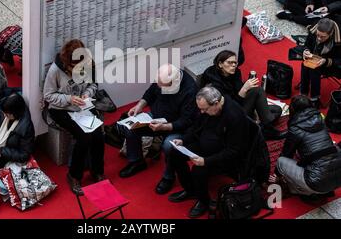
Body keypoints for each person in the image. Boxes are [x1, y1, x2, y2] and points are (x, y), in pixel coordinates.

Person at [167, 86, 251, 218]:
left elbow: (234, 151)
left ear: (216, 103)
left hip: (222, 156)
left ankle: (204, 201)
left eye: (204, 109)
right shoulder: (207, 108)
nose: (201, 112)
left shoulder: (234, 116)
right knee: (175, 153)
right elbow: (196, 127)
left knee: (198, 170)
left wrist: (206, 161)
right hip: (205, 145)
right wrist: (183, 140)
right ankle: (191, 190)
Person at [118, 64, 198, 196]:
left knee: (169, 147)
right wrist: (139, 106)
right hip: (156, 117)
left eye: (164, 86)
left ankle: (168, 177)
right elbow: (150, 93)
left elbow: (186, 121)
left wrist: (165, 127)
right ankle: (136, 161)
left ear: (175, 82)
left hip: (177, 125)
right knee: (131, 128)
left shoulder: (190, 90)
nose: (160, 87)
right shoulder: (163, 78)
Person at [43, 39, 105, 196]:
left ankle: (97, 170)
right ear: (67, 63)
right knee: (83, 137)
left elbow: (94, 85)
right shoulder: (55, 71)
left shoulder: (89, 64)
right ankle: (74, 175)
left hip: (82, 107)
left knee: (98, 135)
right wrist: (69, 99)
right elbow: (48, 95)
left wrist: (87, 94)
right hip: (60, 109)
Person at [199, 50, 283, 139]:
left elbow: (243, 96)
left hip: (241, 105)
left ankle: (257, 127)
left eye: (235, 63)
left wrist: (255, 109)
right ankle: (266, 129)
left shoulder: (235, 73)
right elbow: (229, 106)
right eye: (230, 63)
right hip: (229, 114)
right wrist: (244, 89)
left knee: (277, 109)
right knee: (258, 91)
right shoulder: (214, 83)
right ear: (220, 64)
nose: (234, 65)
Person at [269, 95, 341, 199]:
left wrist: (277, 176)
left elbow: (287, 154)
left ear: (292, 109)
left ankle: (303, 191)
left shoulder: (295, 128)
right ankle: (319, 189)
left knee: (281, 161)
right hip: (338, 179)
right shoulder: (320, 118)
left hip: (316, 182)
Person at [300, 18, 341, 108]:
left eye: (323, 37)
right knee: (305, 63)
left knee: (314, 69)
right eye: (318, 35)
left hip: (333, 65)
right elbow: (307, 44)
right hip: (316, 57)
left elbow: (339, 60)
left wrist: (326, 61)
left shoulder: (338, 39)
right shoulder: (315, 29)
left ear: (330, 34)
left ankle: (315, 98)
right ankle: (303, 93)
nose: (319, 38)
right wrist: (306, 50)